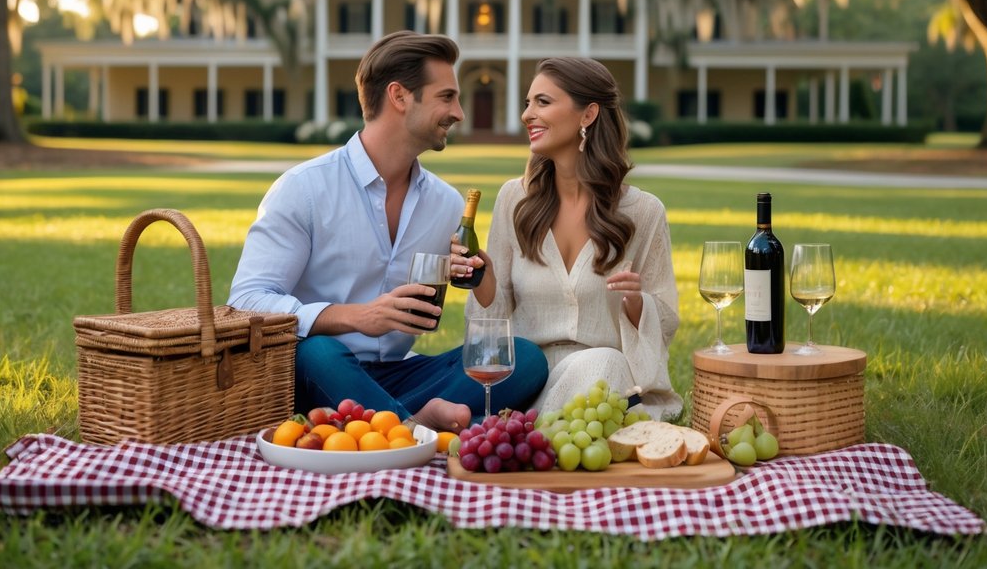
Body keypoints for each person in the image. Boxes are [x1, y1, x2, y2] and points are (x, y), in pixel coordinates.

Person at [229, 31, 547, 431]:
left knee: (524, 357)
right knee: (319, 352)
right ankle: (412, 428)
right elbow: (245, 302)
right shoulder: (304, 189)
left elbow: (473, 296)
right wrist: (357, 317)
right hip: (319, 374)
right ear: (399, 97)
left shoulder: (445, 204)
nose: (459, 113)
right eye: (446, 97)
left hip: (400, 374)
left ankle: (394, 422)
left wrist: (476, 273)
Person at [457, 57, 683, 419]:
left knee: (603, 364)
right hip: (526, 378)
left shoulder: (643, 212)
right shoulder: (514, 200)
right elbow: (493, 323)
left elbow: (667, 318)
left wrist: (638, 304)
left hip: (602, 383)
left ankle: (523, 434)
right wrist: (483, 279)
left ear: (588, 114)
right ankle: (531, 430)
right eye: (527, 103)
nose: (527, 115)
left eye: (542, 102)